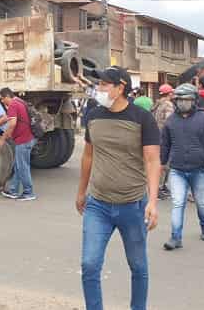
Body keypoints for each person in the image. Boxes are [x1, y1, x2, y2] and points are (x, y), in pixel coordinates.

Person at [75, 66, 161, 310]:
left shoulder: (142, 119)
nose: (99, 89)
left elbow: (152, 161)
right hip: (97, 205)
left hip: (133, 206)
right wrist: (81, 192)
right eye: (98, 84)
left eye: (104, 84)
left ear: (120, 87)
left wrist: (152, 202)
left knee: (138, 266)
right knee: (90, 265)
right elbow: (88, 156)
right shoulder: (93, 115)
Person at [161, 83, 204, 250]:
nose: (182, 103)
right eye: (180, 99)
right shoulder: (171, 121)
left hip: (200, 169)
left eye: (186, 99)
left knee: (201, 202)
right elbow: (164, 144)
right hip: (177, 170)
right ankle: (175, 238)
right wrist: (161, 163)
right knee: (178, 203)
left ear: (194, 101)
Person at [0, 87, 37, 201]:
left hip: (23, 140)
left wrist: (3, 138)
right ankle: (13, 190)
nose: (2, 101)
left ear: (8, 96)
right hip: (28, 138)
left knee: (22, 167)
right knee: (19, 166)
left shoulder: (13, 105)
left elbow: (12, 124)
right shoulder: (20, 101)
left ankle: (29, 193)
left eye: (2, 98)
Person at [151, 83, 176, 199]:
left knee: (161, 163)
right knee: (164, 164)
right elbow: (170, 122)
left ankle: (161, 186)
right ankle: (159, 188)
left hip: (156, 136)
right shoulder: (168, 105)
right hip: (165, 138)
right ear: (169, 93)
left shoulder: (156, 104)